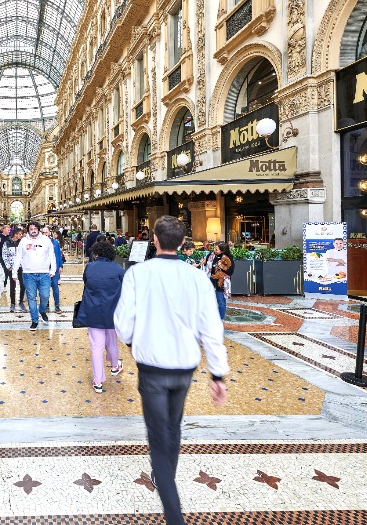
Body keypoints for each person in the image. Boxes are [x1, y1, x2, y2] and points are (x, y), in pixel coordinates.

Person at [114, 216, 229, 525]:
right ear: (182, 244)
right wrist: (218, 375)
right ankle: (164, 474)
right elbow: (212, 330)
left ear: (154, 240)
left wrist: (130, 343)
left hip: (151, 369)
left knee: (157, 435)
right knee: (173, 426)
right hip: (184, 369)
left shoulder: (138, 274)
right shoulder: (197, 279)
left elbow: (123, 323)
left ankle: (173, 514)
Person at [78, 240, 125, 392]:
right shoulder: (118, 269)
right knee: (112, 341)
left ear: (96, 253)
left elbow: (85, 282)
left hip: (93, 311)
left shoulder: (89, 268)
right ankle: (114, 365)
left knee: (96, 346)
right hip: (113, 311)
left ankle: (98, 381)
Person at [12, 221, 56, 330]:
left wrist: (53, 269)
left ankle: (42, 310)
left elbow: (52, 255)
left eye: (35, 228)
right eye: (31, 229)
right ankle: (34, 320)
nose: (33, 230)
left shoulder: (46, 240)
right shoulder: (23, 241)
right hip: (28, 274)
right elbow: (18, 257)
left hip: (44, 273)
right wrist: (14, 271)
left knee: (45, 296)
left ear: (38, 229)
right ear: (28, 230)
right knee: (31, 297)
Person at [2, 227, 27, 312]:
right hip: (12, 267)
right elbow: (5, 255)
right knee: (13, 286)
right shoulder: (7, 243)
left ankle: (21, 302)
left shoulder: (22, 243)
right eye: (20, 234)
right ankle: (13, 303)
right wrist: (8, 266)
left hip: (21, 267)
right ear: (15, 234)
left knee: (23, 284)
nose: (21, 235)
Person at [41, 226, 64, 315]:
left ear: (49, 233)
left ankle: (57, 305)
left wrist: (60, 265)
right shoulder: (39, 243)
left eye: (46, 232)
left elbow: (58, 255)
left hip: (54, 269)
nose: (45, 234)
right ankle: (46, 305)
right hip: (44, 269)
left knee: (55, 288)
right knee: (45, 289)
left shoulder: (55, 243)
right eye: (43, 233)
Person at [209, 242, 235, 320]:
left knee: (221, 302)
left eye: (216, 249)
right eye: (214, 248)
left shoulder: (228, 258)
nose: (214, 250)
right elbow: (207, 262)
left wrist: (222, 268)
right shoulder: (212, 256)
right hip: (211, 281)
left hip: (221, 283)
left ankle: (220, 319)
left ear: (222, 251)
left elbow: (230, 271)